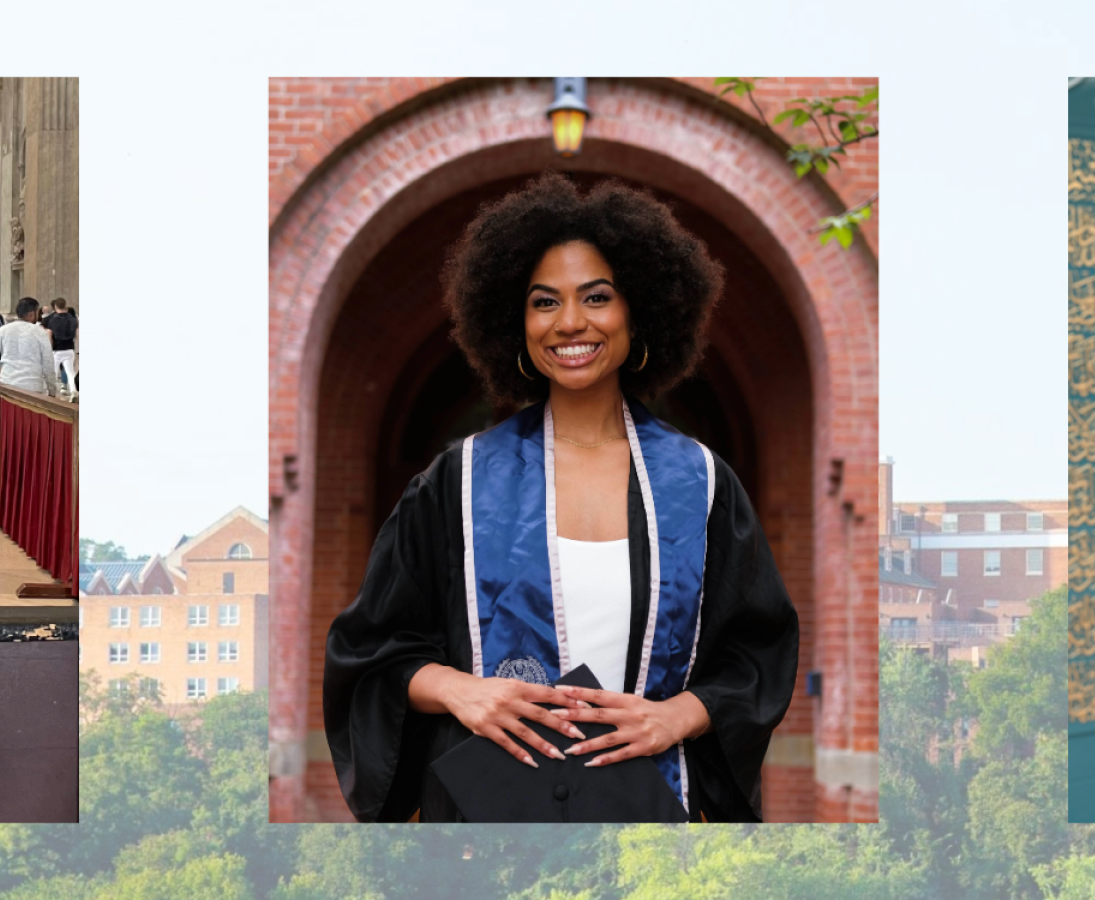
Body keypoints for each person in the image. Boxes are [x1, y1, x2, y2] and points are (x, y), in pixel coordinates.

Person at [323, 174, 799, 823]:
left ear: (640, 311)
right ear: (514, 324)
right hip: (488, 816)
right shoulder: (458, 482)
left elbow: (757, 652)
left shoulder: (701, 483)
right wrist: (461, 691)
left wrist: (674, 719)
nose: (570, 322)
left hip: (650, 811)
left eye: (597, 297)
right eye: (544, 302)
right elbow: (369, 651)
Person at [42, 298, 78, 400]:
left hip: (57, 349)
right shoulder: (73, 319)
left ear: (56, 307)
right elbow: (77, 335)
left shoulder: (53, 319)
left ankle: (51, 393)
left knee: (53, 372)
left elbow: (49, 335)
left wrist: (50, 348)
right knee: (70, 372)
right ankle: (73, 391)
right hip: (69, 349)